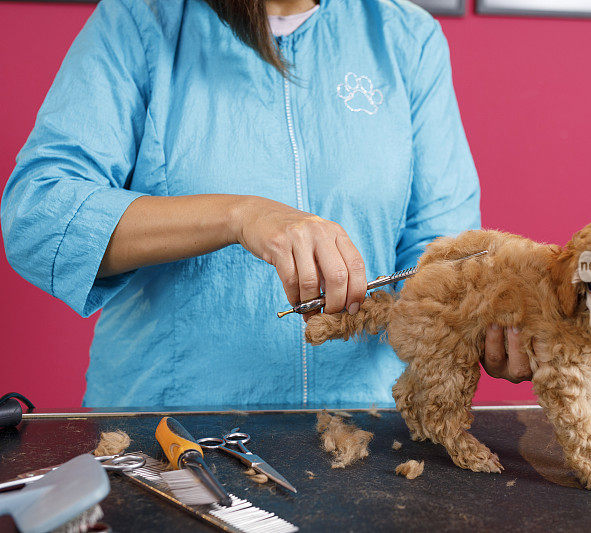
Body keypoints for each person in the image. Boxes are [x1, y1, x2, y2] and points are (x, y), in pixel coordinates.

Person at [1, 0, 531, 407]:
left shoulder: (407, 38)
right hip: (166, 429)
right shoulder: (140, 23)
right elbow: (38, 213)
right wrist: (240, 216)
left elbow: (445, 250)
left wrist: (485, 316)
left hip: (366, 426)